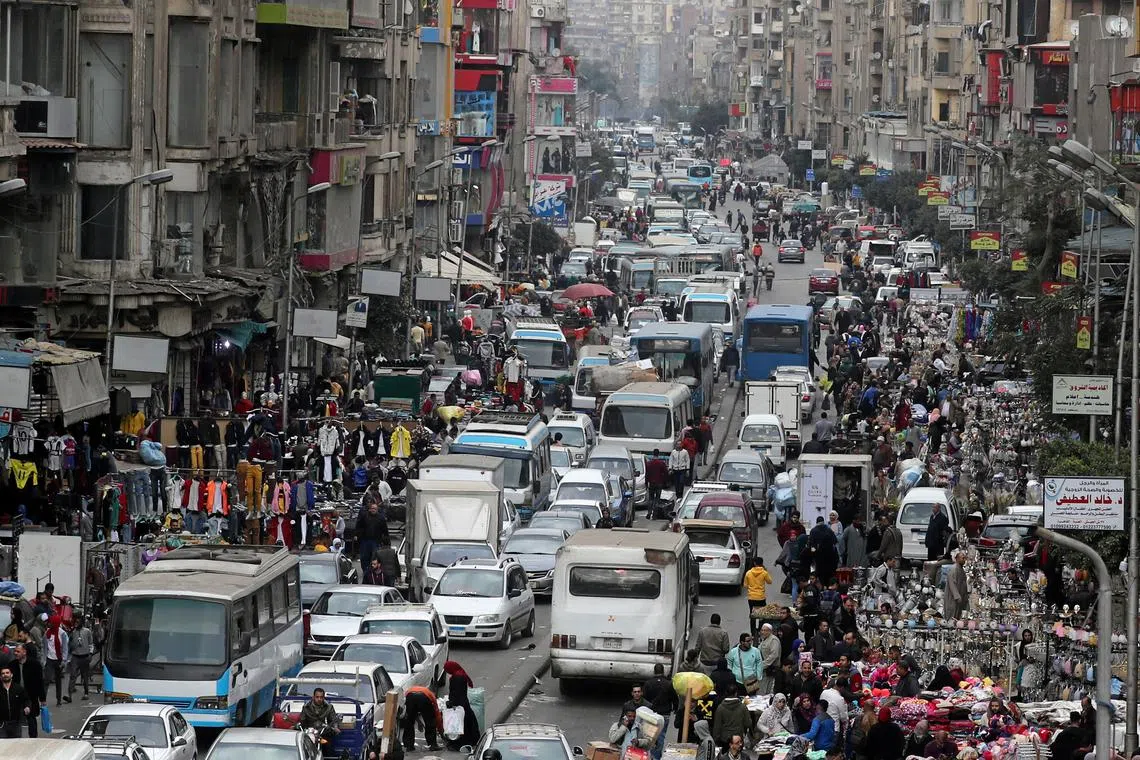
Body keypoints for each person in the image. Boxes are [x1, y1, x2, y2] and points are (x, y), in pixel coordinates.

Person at [444, 661, 480, 748]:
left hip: (459, 704)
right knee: (469, 722)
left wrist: (451, 703)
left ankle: (460, 743)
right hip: (464, 702)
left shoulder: (456, 678)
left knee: (460, 724)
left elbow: (456, 693)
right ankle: (473, 739)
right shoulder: (460, 674)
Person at [10, 645, 43, 738]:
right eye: (15, 651)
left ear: (24, 652)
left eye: (18, 651)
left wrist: (42, 699)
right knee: (15, 718)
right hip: (16, 696)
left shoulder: (35, 664)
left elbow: (40, 682)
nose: (15, 653)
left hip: (31, 695)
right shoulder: (12, 665)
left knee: (31, 717)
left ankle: (33, 738)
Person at [403, 685, 442, 751]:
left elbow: (412, 713)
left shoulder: (410, 689)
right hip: (424, 697)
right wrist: (440, 729)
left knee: (409, 722)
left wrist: (419, 722)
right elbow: (437, 714)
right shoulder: (431, 695)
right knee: (430, 721)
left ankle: (409, 746)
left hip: (410, 696)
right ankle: (432, 745)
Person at [711, 683, 750, 749]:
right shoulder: (743, 707)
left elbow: (717, 726)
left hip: (724, 739)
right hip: (738, 738)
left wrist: (716, 740)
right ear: (736, 693)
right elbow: (748, 723)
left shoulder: (720, 708)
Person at [43, 614, 68, 705]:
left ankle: (58, 699)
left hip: (59, 660)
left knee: (58, 680)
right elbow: (45, 647)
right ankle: (43, 700)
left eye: (52, 623)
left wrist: (64, 660)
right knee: (47, 680)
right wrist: (44, 660)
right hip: (49, 659)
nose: (50, 624)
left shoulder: (62, 634)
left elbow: (65, 648)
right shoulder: (47, 633)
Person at [355, 501, 389, 567]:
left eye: (375, 509)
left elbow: (385, 530)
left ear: (377, 510)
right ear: (369, 509)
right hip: (365, 540)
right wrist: (357, 535)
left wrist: (387, 541)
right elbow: (358, 526)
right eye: (372, 508)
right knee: (364, 558)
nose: (373, 510)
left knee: (375, 557)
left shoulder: (381, 518)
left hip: (376, 541)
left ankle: (373, 570)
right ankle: (365, 571)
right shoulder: (364, 516)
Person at [68, 615, 94, 701]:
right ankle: (69, 695)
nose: (76, 624)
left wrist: (90, 654)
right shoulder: (73, 632)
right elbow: (70, 645)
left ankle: (86, 693)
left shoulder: (87, 631)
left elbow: (91, 644)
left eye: (78, 622)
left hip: (85, 656)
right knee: (72, 675)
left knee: (85, 676)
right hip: (75, 656)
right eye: (75, 622)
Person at [744, 558, 772, 633]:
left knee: (752, 615)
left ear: (754, 563)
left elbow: (745, 585)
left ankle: (753, 633)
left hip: (751, 597)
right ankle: (761, 630)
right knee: (762, 615)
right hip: (761, 597)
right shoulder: (764, 573)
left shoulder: (748, 573)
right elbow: (769, 581)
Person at [0, 666, 28, 738]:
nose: (5, 675)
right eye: (3, 673)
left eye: (7, 673)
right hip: (2, 724)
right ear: (0, 677)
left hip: (16, 723)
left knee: (16, 744)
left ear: (11, 675)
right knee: (3, 745)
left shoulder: (18, 688)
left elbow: (26, 700)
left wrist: (27, 707)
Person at [945, 550, 970, 619]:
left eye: (965, 558)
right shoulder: (953, 569)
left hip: (960, 597)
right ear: (957, 558)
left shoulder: (961, 569)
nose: (964, 560)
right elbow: (952, 583)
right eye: (962, 558)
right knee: (951, 614)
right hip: (953, 597)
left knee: (957, 615)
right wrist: (957, 596)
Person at [645, 451, 669, 519]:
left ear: (653, 454)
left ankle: (649, 513)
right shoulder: (661, 463)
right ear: (658, 454)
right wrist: (665, 481)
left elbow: (647, 474)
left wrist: (646, 483)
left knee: (651, 498)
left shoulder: (649, 464)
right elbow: (665, 472)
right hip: (659, 483)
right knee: (657, 499)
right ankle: (655, 514)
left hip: (651, 483)